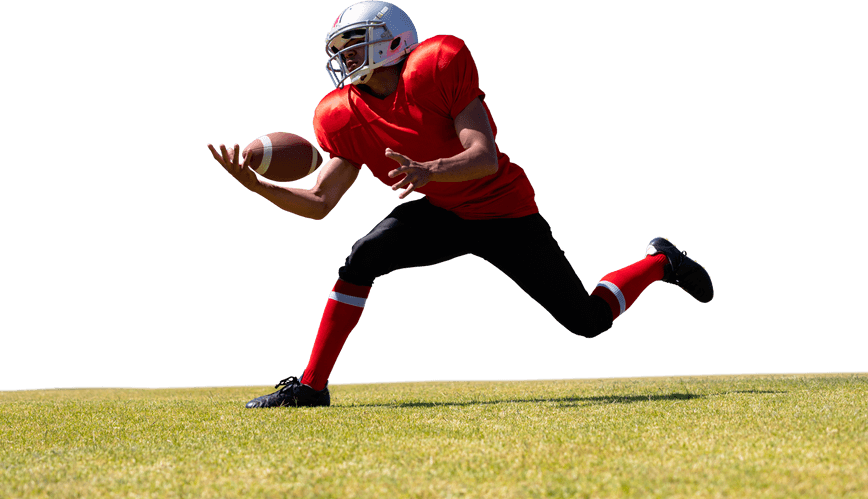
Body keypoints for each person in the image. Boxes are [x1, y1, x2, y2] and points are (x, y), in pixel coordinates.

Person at [206, 0, 713, 408]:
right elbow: (320, 201)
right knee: (361, 258)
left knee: (587, 321)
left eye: (354, 42)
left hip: (504, 211)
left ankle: (659, 261)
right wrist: (259, 188)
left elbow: (484, 157)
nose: (345, 56)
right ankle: (311, 387)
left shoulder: (436, 64)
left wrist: (430, 171)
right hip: (443, 211)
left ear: (394, 39)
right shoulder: (342, 115)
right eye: (339, 47)